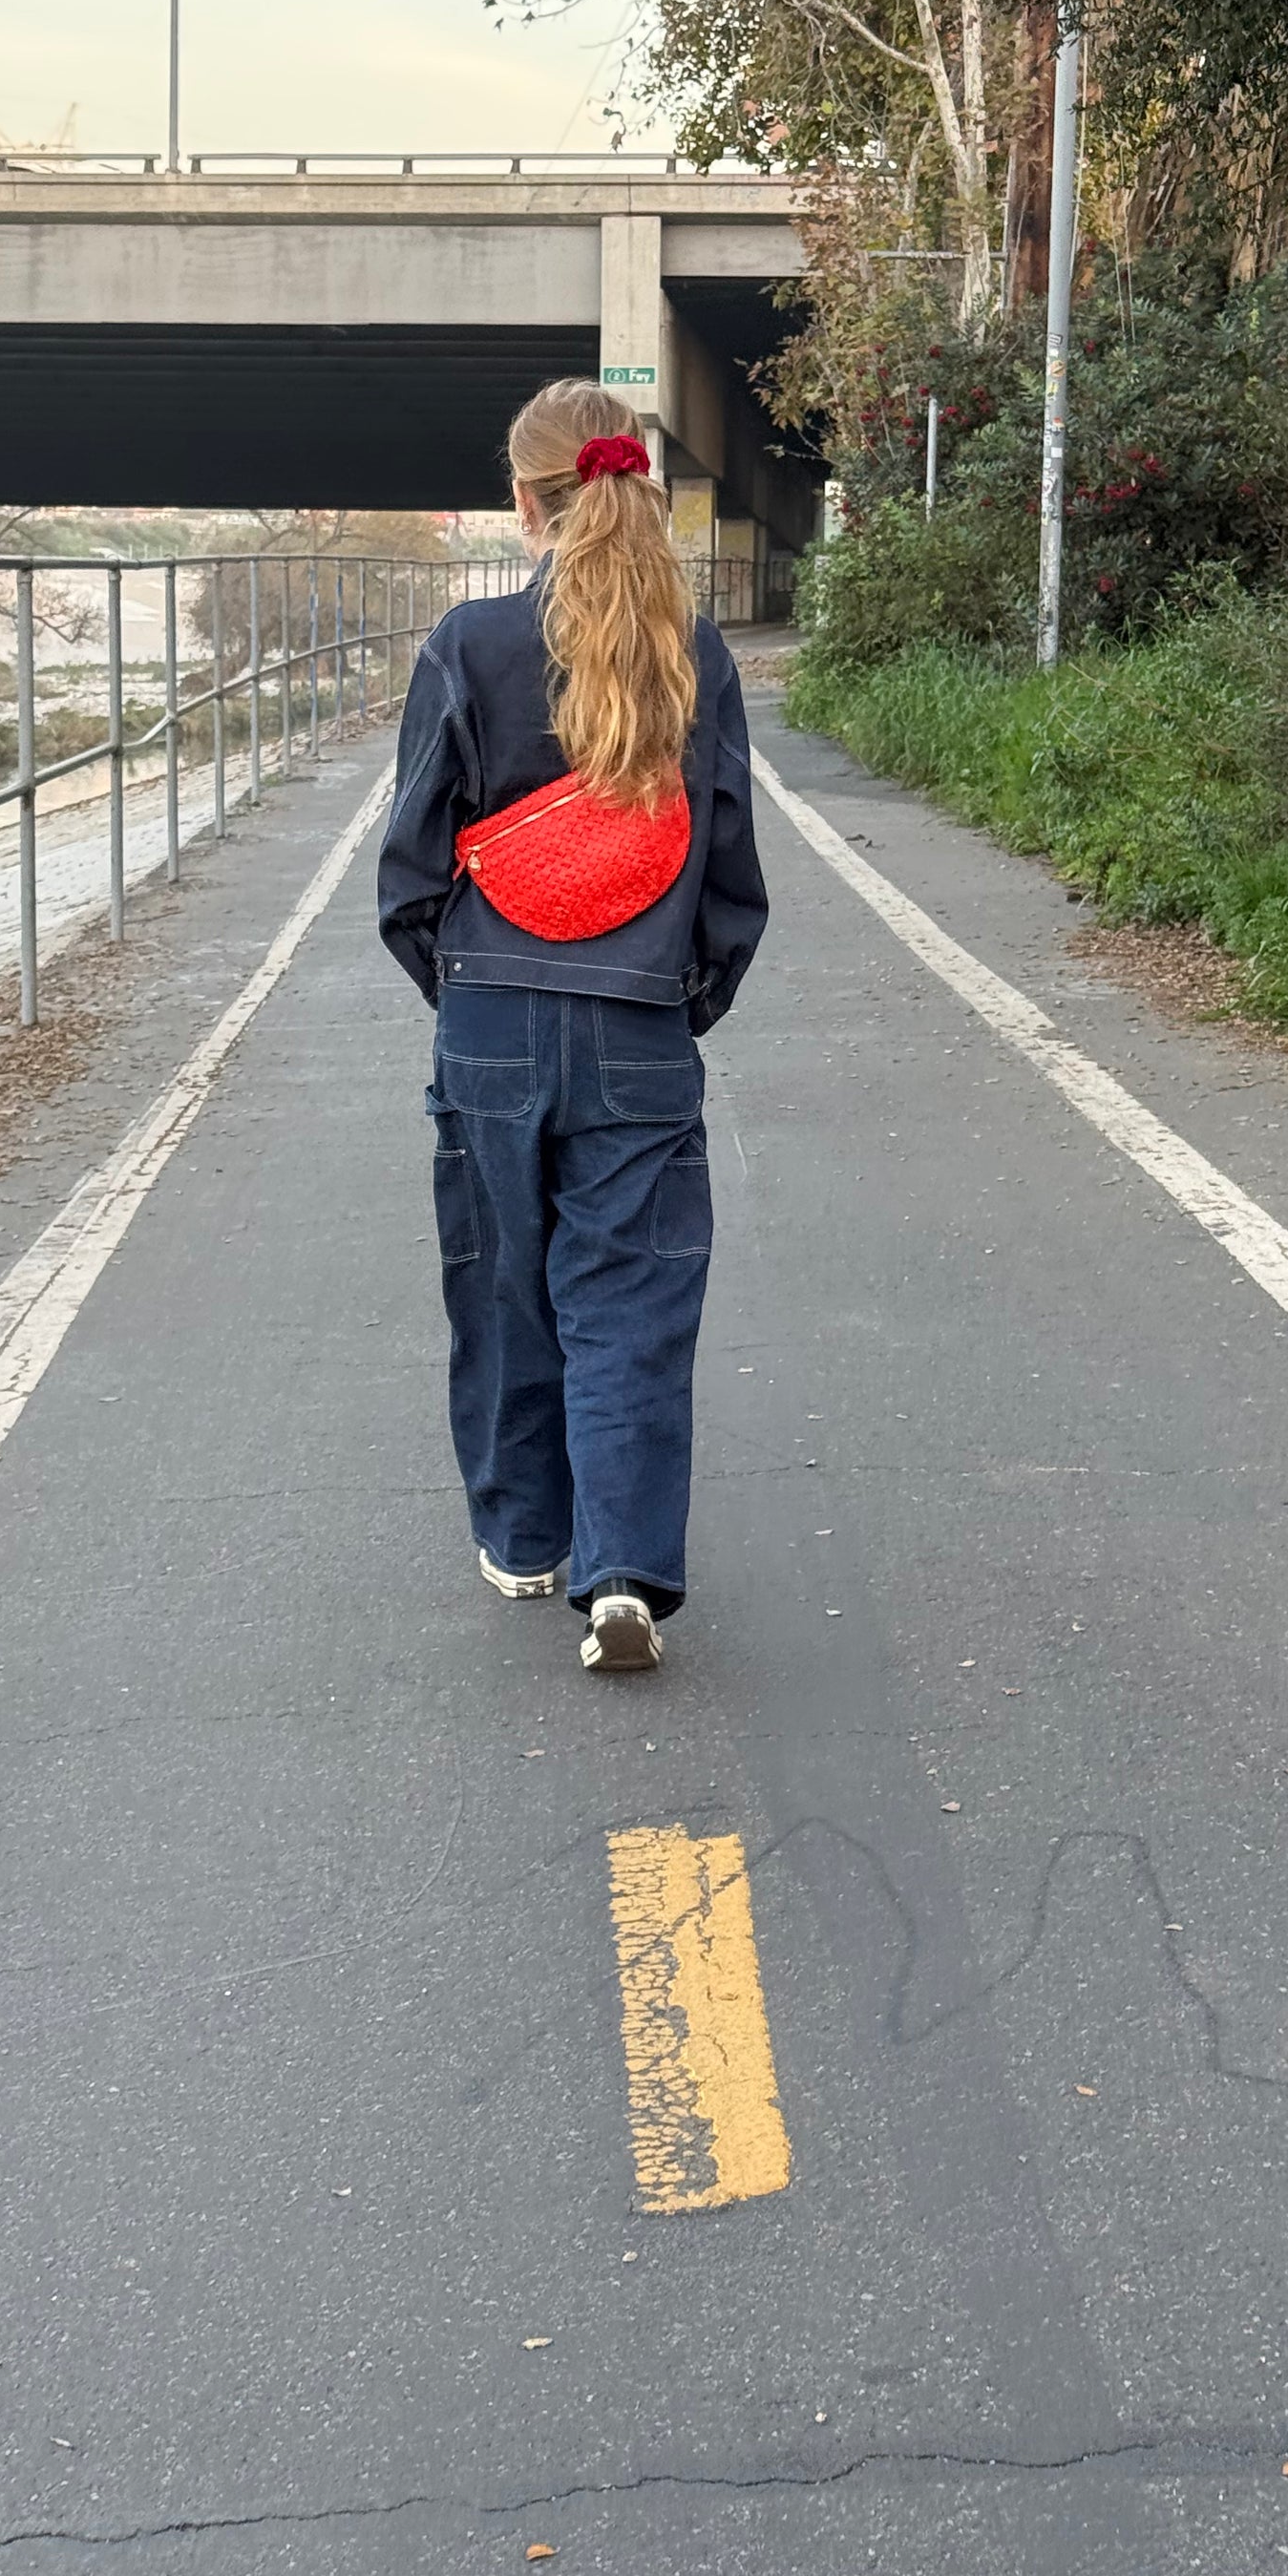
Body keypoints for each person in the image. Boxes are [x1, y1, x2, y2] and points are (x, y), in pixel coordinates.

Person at [377, 379, 768, 1672]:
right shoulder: (691, 652)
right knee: (632, 1303)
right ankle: (622, 1572)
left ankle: (525, 1537)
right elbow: (727, 884)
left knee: (499, 1290)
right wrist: (673, 999)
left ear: (522, 498)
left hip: (490, 1022)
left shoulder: (467, 645)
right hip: (641, 1030)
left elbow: (412, 868)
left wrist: (468, 989)